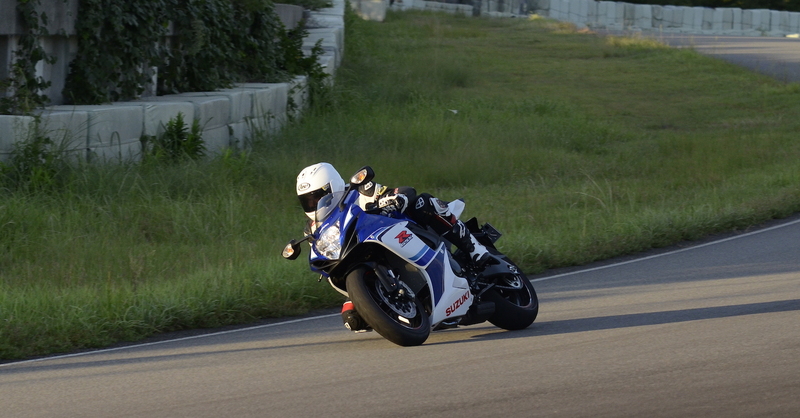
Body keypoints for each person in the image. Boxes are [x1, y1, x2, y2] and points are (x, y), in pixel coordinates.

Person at [295, 162, 490, 331]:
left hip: (402, 231)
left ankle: (474, 248)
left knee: (423, 203)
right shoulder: (314, 229)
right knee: (351, 317)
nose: (313, 204)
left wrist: (395, 198)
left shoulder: (358, 191)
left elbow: (402, 192)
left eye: (317, 197)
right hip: (367, 254)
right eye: (307, 201)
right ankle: (389, 301)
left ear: (333, 187)